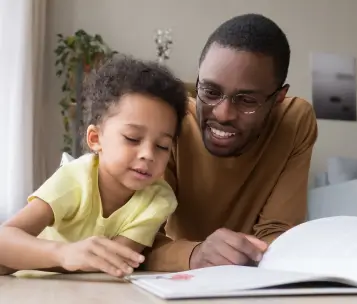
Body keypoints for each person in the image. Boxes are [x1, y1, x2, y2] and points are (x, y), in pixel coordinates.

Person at [143, 13, 318, 272]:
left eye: (247, 101)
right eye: (210, 92)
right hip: (178, 279)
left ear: (278, 98)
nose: (222, 114)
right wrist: (195, 254)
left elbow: (278, 233)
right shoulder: (170, 120)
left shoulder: (294, 122)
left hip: (250, 280)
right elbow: (136, 240)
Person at [0, 55, 188, 277]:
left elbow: (114, 263)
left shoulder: (159, 199)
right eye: (132, 138)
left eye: (162, 146)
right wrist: (64, 254)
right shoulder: (75, 178)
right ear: (95, 138)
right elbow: (5, 238)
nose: (148, 154)